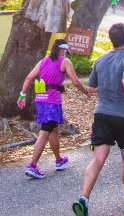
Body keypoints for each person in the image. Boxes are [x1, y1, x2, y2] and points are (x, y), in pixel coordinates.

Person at [76, 23, 124, 216]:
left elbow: (91, 88)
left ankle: (84, 199)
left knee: (98, 159)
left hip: (102, 114)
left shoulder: (100, 60)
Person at [19, 39, 95, 178]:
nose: (66, 54)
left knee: (54, 130)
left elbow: (29, 77)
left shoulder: (43, 61)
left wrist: (22, 95)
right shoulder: (64, 62)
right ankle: (32, 165)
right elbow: (76, 81)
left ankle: (59, 160)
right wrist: (85, 91)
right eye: (66, 51)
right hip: (52, 102)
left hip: (40, 101)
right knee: (44, 133)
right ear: (63, 50)